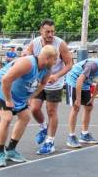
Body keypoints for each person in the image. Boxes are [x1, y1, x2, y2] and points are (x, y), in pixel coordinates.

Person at [0, 45, 58, 167]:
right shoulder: (28, 63)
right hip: (0, 88)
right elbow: (5, 80)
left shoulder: (47, 70)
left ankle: (10, 150)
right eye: (55, 58)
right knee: (7, 118)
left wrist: (30, 97)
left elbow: (42, 84)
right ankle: (0, 153)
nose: (56, 61)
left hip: (17, 94)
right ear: (47, 58)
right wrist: (9, 100)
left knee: (25, 117)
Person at [25, 19, 73, 156]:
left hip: (54, 83)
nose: (50, 34)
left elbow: (69, 64)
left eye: (52, 31)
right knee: (34, 109)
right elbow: (27, 59)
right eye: (47, 31)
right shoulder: (34, 43)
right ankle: (43, 127)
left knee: (51, 111)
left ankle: (50, 142)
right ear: (41, 31)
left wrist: (57, 76)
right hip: (39, 82)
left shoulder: (60, 44)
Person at [65, 50, 98, 148]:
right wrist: (78, 99)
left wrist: (93, 98)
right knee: (76, 107)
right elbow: (80, 79)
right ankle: (71, 136)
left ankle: (84, 135)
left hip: (85, 84)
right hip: (74, 80)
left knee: (89, 107)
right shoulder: (93, 65)